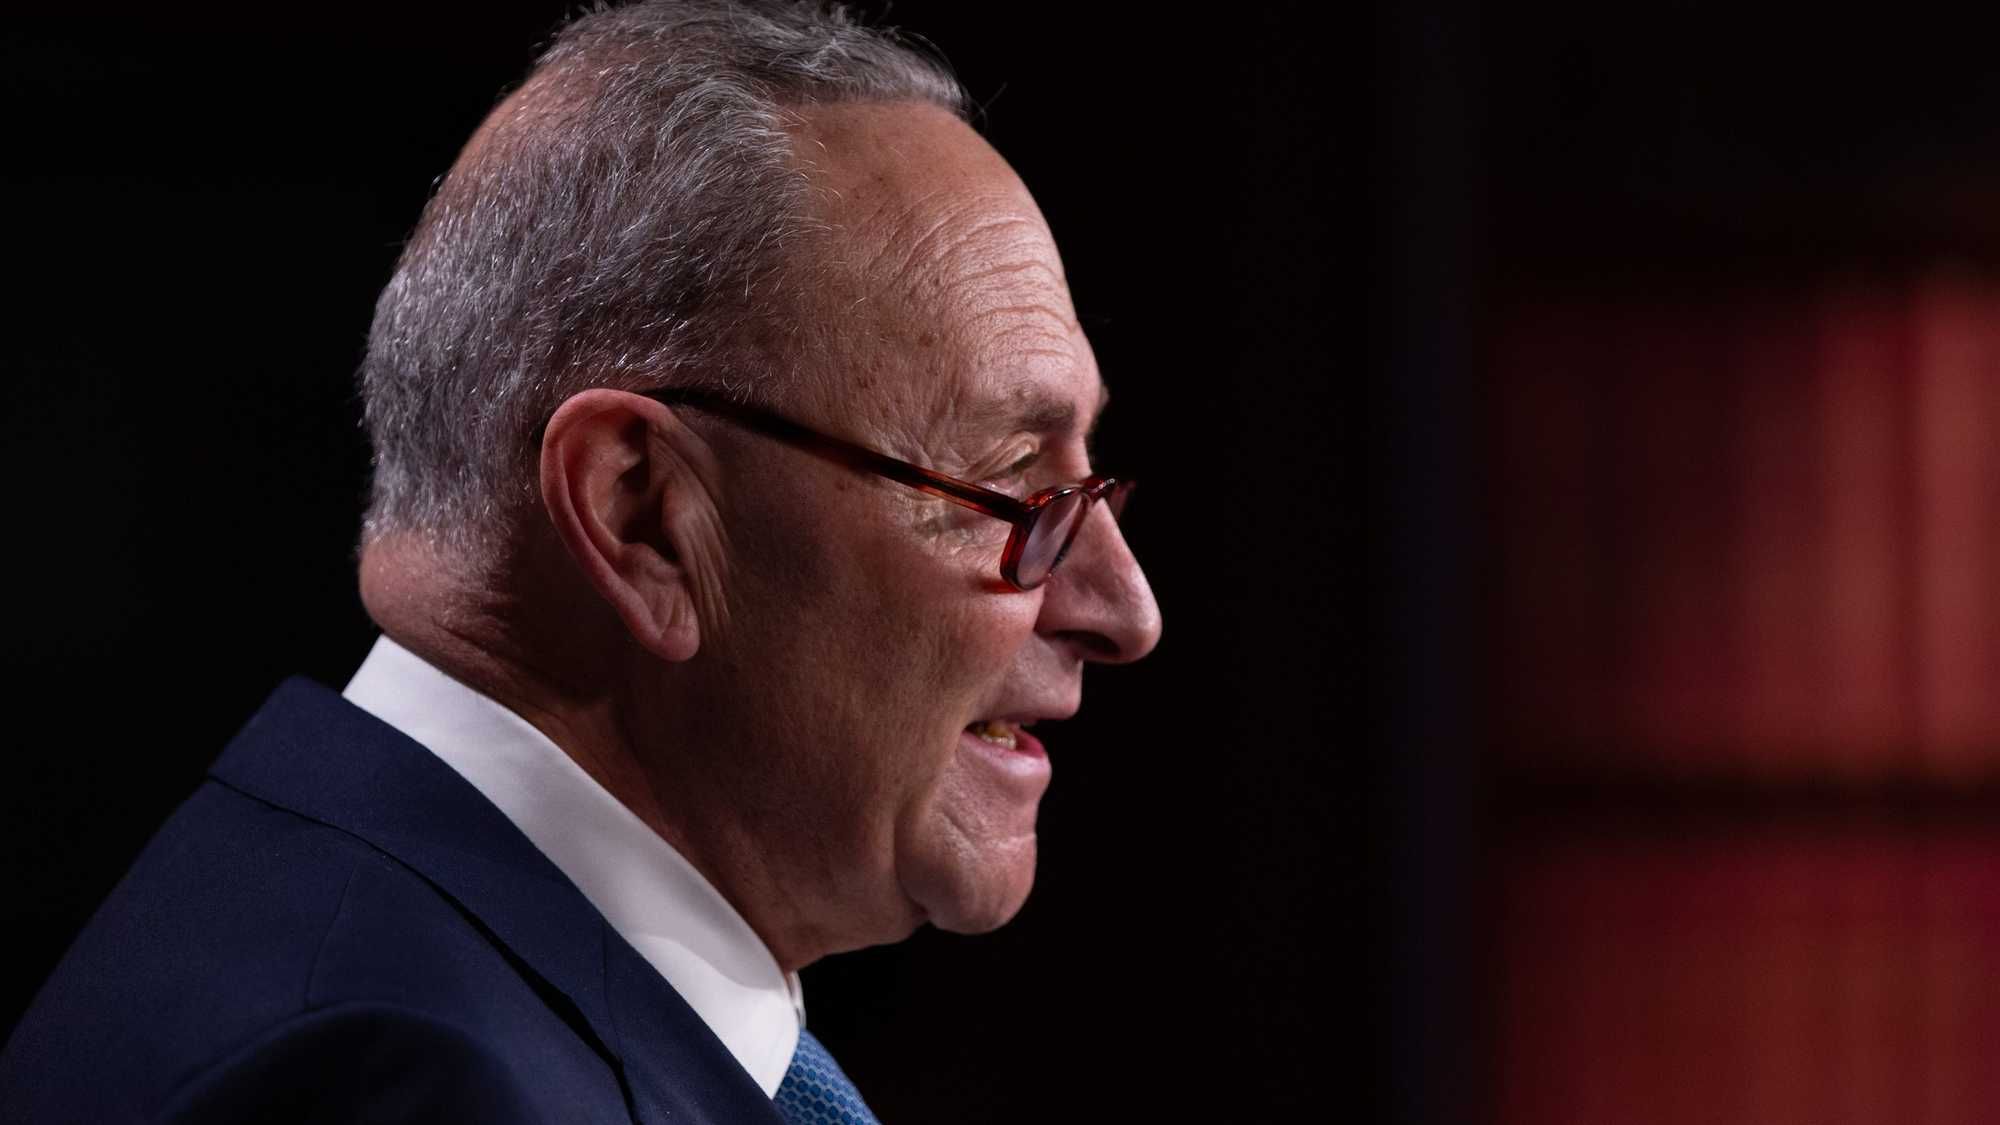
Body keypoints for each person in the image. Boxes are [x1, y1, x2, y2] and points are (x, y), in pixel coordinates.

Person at [0, 1, 1159, 1121]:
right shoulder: (414, 1083)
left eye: (1086, 485)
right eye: (1011, 482)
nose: (1122, 609)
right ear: (640, 518)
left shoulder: (400, 954)